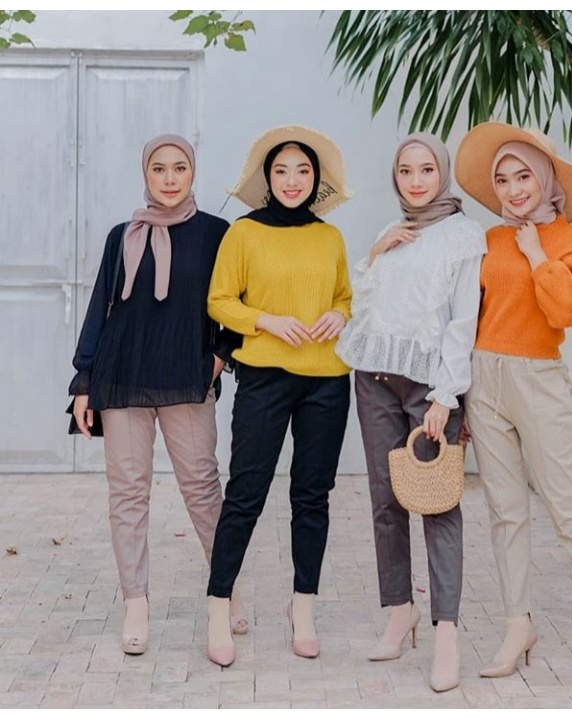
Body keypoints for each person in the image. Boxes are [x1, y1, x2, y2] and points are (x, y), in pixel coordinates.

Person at [454, 122, 572, 698]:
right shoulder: (488, 239)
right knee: (505, 512)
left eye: (523, 177)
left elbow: (563, 312)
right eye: (502, 180)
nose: (512, 190)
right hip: (484, 377)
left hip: (539, 380)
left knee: (570, 513)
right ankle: (518, 626)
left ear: (545, 179)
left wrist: (536, 255)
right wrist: (459, 395)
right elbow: (467, 315)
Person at [69, 134, 247, 655]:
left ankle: (225, 591)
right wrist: (83, 381)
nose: (169, 178)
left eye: (179, 168)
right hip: (122, 377)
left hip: (186, 379)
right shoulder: (122, 235)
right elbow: (102, 308)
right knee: (127, 493)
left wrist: (218, 357)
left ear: (193, 173)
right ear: (146, 174)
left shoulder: (217, 233)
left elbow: (237, 301)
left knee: (202, 488)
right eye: (159, 169)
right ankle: (136, 604)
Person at [336, 132, 486, 692]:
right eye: (405, 171)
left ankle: (446, 631)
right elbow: (366, 308)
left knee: (438, 502)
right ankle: (401, 611)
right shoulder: (391, 230)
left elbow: (463, 321)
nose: (416, 181)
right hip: (374, 377)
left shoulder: (463, 235)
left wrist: (447, 396)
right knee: (385, 499)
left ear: (441, 172)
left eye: (426, 169)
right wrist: (377, 254)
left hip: (429, 387)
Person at [204, 125, 353, 668]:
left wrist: (340, 313)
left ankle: (303, 607)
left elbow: (345, 297)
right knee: (246, 492)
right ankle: (218, 606)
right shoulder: (244, 233)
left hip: (327, 379)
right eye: (282, 171)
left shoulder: (330, 237)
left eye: (303, 171)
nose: (293, 180)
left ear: (315, 180)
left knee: (312, 496)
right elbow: (220, 300)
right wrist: (266, 320)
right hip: (263, 376)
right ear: (267, 178)